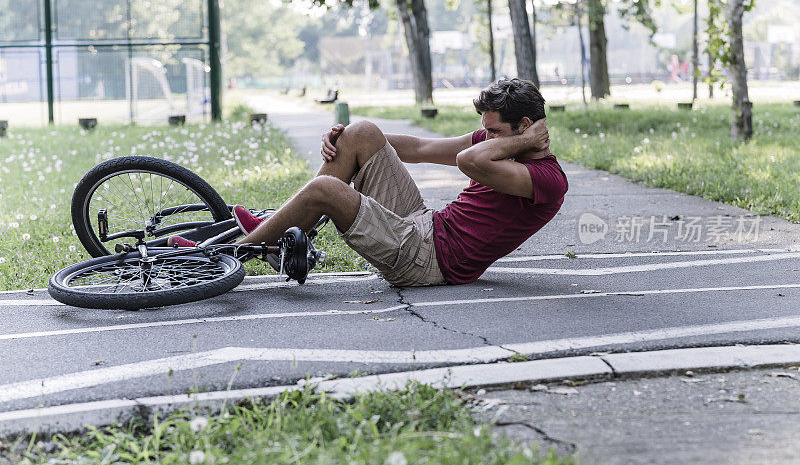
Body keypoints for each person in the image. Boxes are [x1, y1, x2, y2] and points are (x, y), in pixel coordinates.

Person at [170, 78, 568, 286]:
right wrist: (343, 139)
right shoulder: (498, 144)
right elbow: (418, 147)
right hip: (424, 227)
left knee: (326, 191)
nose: (488, 136)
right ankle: (277, 241)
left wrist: (524, 142)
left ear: (526, 127)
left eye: (496, 131)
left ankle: (229, 258)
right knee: (362, 131)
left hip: (429, 263)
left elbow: (467, 160)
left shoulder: (545, 180)